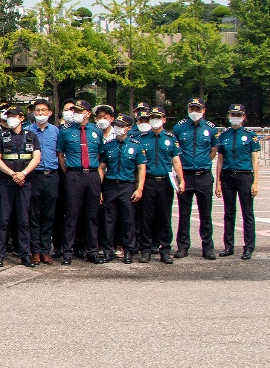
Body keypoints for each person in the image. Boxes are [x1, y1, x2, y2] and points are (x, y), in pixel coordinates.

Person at [0, 107, 40, 268]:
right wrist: (13, 174)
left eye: (14, 116)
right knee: (3, 220)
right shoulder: (1, 136)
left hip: (25, 182)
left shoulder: (31, 136)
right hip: (6, 182)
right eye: (8, 116)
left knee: (24, 220)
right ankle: (0, 254)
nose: (11, 119)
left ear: (21, 118)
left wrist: (23, 173)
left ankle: (25, 255)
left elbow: (36, 158)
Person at [56, 100, 103, 265]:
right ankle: (67, 252)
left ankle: (92, 251)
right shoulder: (66, 131)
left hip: (91, 175)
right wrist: (68, 172)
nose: (75, 113)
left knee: (92, 215)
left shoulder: (96, 130)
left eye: (79, 111)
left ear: (88, 114)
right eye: (74, 110)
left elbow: (98, 154)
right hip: (74, 174)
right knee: (71, 214)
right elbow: (60, 155)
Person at [172, 97, 219, 260]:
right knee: (184, 214)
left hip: (203, 175)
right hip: (185, 175)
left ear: (203, 110)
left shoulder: (211, 129)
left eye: (197, 109)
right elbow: (175, 151)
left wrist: (203, 161)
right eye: (192, 109)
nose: (194, 112)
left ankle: (208, 247)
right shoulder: (179, 128)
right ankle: (182, 246)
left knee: (206, 213)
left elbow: (213, 150)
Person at [138, 107, 185, 264]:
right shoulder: (142, 139)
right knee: (146, 217)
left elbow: (176, 160)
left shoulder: (171, 139)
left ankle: (165, 249)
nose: (155, 120)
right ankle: (146, 249)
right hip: (148, 181)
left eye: (158, 117)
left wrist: (182, 180)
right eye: (152, 118)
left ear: (164, 119)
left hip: (165, 181)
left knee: (164, 216)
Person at [98, 114, 146, 264]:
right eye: (117, 125)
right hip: (111, 185)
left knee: (128, 219)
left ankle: (128, 250)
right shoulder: (108, 145)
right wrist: (99, 189)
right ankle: (107, 250)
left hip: (127, 185)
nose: (119, 128)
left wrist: (140, 189)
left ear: (129, 128)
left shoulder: (136, 145)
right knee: (108, 219)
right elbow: (101, 168)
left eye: (122, 126)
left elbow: (141, 168)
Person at [216, 104, 260, 260]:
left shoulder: (250, 135)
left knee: (247, 213)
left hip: (244, 175)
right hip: (228, 175)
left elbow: (255, 160)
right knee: (229, 213)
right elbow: (220, 161)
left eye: (238, 114)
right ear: (228, 116)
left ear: (244, 117)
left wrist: (255, 182)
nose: (235, 117)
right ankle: (229, 246)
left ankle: (248, 247)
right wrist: (218, 183)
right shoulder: (224, 135)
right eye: (232, 114)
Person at [25, 99, 61, 265]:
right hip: (34, 176)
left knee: (49, 215)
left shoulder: (55, 131)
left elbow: (60, 154)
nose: (40, 114)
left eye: (44, 111)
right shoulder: (27, 131)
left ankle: (46, 250)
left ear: (50, 113)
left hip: (52, 175)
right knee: (34, 215)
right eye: (37, 111)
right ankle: (35, 250)